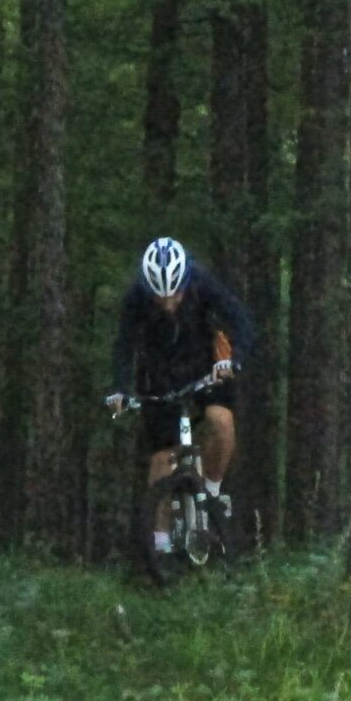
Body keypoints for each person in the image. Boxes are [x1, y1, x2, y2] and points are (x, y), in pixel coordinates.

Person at [105, 237, 256, 554]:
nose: (169, 303)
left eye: (175, 294)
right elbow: (124, 345)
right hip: (158, 379)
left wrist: (235, 358)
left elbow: (240, 319)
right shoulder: (136, 297)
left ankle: (212, 492)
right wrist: (120, 388)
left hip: (204, 369)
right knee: (163, 459)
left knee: (221, 422)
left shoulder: (202, 282)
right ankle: (159, 547)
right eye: (160, 297)